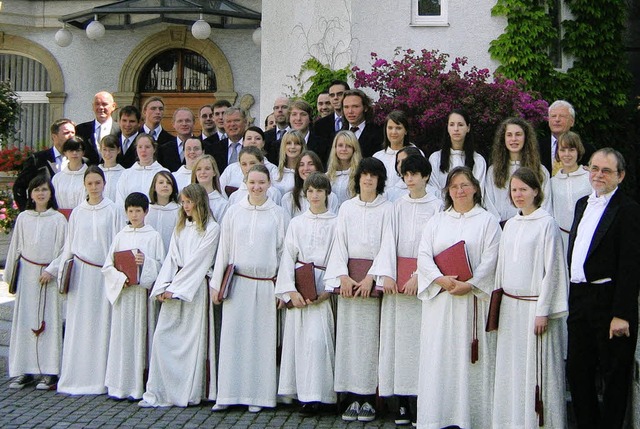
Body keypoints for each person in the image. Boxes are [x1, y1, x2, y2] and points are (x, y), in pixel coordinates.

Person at [417, 166, 501, 429]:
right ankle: (438, 418)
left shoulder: (487, 221)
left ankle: (471, 418)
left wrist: (473, 284)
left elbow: (492, 259)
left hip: (470, 303)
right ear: (448, 192)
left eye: (465, 185)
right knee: (440, 359)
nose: (460, 191)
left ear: (475, 188)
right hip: (441, 304)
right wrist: (440, 279)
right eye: (454, 187)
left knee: (468, 362)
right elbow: (423, 255)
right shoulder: (437, 220)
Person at [566, 148, 640, 429]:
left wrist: (621, 313)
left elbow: (631, 265)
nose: (598, 175)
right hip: (580, 299)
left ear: (620, 176)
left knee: (614, 376)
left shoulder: (629, 210)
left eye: (606, 171)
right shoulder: (582, 204)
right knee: (577, 371)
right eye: (594, 168)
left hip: (610, 303)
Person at [492, 167, 568, 428]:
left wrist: (543, 311)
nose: (518, 194)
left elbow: (554, 270)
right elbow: (501, 268)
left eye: (523, 189)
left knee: (538, 371)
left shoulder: (547, 224)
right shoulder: (510, 225)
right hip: (511, 308)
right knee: (513, 371)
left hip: (535, 309)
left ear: (536, 191)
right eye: (514, 190)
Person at [210, 164, 289, 413]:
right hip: (238, 284)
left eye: (261, 183)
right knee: (233, 339)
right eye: (252, 182)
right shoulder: (234, 212)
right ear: (245, 182)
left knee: (261, 342)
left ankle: (259, 395)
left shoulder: (278, 214)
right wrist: (216, 284)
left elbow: (284, 253)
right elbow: (224, 248)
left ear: (269, 184)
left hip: (265, 285)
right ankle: (228, 394)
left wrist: (282, 288)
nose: (256, 187)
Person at [371, 155, 441, 426]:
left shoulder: (437, 207)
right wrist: (387, 274)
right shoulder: (396, 206)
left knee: (420, 345)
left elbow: (435, 246)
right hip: (397, 290)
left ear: (425, 176)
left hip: (421, 288)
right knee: (398, 344)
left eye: (415, 174)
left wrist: (418, 276)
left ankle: (421, 401)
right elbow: (387, 241)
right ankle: (400, 403)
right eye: (406, 175)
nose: (410, 179)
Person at [324, 157, 393, 423]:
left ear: (379, 180)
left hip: (369, 286)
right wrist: (342, 275)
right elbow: (339, 243)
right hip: (349, 286)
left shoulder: (388, 209)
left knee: (369, 342)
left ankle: (368, 398)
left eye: (373, 176)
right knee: (349, 341)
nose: (368, 179)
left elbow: (388, 244)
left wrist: (371, 278)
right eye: (364, 175)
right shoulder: (347, 209)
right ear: (358, 178)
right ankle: (351, 397)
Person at [140, 184, 220, 408]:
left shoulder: (211, 228)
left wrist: (176, 290)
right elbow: (171, 259)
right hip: (174, 285)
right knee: (162, 337)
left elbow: (199, 262)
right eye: (182, 202)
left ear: (198, 201)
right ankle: (162, 390)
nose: (184, 206)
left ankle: (189, 392)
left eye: (188, 201)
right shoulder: (181, 227)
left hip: (194, 290)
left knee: (191, 343)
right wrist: (163, 286)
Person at [275, 172, 337, 414]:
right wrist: (290, 290)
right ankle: (304, 395)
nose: (314, 195)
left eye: (319, 191)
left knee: (319, 342)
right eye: (310, 191)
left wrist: (327, 289)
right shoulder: (296, 223)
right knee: (300, 342)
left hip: (322, 288)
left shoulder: (336, 222)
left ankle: (322, 395)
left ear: (327, 194)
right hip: (300, 287)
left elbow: (337, 256)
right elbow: (288, 256)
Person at [57, 166, 122, 395]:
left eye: (98, 183)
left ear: (104, 184)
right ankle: (77, 376)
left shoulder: (113, 210)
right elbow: (69, 246)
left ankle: (100, 378)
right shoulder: (77, 212)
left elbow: (118, 243)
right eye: (90, 183)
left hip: (103, 275)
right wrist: (61, 272)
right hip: (81, 276)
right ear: (84, 186)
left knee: (102, 324)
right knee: (80, 324)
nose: (94, 187)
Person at [5, 176, 67, 391]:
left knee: (49, 321)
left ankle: (49, 371)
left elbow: (64, 249)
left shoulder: (58, 219)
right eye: (36, 190)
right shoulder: (23, 217)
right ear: (30, 194)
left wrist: (52, 269)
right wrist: (11, 277)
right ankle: (24, 370)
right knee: (25, 322)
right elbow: (15, 248)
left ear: (51, 193)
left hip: (48, 275)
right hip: (28, 275)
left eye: (44, 190)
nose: (41, 193)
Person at [102, 192, 165, 400]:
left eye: (138, 211)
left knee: (140, 338)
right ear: (126, 212)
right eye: (131, 211)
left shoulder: (153, 235)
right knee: (122, 339)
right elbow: (108, 265)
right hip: (124, 294)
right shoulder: (121, 235)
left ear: (146, 212)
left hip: (141, 296)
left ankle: (138, 386)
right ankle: (119, 385)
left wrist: (144, 262)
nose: (135, 215)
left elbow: (160, 265)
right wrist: (120, 278)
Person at [485, 117, 552, 224]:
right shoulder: (493, 171)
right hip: (502, 228)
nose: (514, 139)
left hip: (532, 226)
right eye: (509, 135)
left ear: (526, 138)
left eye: (518, 134)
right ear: (503, 139)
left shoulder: (540, 171)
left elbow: (546, 203)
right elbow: (489, 203)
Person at [14, 118, 76, 211]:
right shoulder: (37, 160)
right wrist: (28, 211)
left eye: (73, 133)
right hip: (46, 215)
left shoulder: (81, 161)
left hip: (72, 215)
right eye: (66, 133)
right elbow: (19, 188)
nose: (71, 136)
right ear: (54, 136)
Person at [427, 109, 486, 199]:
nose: (456, 129)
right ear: (447, 128)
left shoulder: (478, 160)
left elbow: (478, 192)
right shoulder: (435, 158)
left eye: (460, 125)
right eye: (452, 124)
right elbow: (434, 190)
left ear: (468, 128)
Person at [550, 131, 592, 251]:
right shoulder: (553, 182)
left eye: (571, 150)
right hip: (561, 239)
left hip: (585, 237)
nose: (567, 154)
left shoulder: (589, 177)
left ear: (578, 151)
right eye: (563, 150)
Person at [538, 100, 594, 175]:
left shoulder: (587, 149)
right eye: (553, 116)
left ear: (572, 122)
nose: (557, 120)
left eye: (562, 116)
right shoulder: (537, 147)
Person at [219, 126, 278, 197]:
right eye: (249, 138)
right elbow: (221, 190)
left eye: (257, 138)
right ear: (243, 142)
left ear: (263, 143)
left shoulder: (272, 169)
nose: (253, 141)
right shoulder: (231, 169)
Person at [115, 133, 168, 208]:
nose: (143, 150)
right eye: (140, 147)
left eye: (147, 147)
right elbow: (120, 202)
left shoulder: (163, 173)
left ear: (154, 149)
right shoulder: (127, 174)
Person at [281, 150, 339, 217]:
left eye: (311, 164)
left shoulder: (331, 197)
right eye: (301, 165)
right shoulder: (288, 198)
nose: (306, 168)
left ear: (317, 166)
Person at [75, 91, 119, 165]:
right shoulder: (80, 130)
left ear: (113, 106)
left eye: (104, 104)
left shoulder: (120, 130)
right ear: (93, 106)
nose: (100, 107)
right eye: (97, 104)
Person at [341, 89, 383, 158]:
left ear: (365, 108)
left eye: (355, 106)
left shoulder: (378, 133)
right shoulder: (338, 134)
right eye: (346, 107)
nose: (350, 111)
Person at [147, 171, 180, 255]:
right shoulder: (147, 210)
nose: (165, 185)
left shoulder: (179, 210)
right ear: (154, 187)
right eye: (161, 182)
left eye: (169, 183)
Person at [325, 130, 362, 206]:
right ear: (335, 148)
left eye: (348, 146)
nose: (344, 149)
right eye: (340, 145)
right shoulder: (327, 176)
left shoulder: (360, 175)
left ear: (354, 149)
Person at [288, 99, 330, 165]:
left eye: (303, 114)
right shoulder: (279, 145)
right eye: (294, 114)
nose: (298, 118)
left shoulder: (323, 145)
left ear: (310, 118)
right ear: (289, 118)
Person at [51, 138, 88, 211]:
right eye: (71, 150)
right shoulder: (57, 178)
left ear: (83, 152)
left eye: (78, 150)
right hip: (61, 218)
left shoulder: (89, 176)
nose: (74, 153)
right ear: (65, 153)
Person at [191, 155, 228, 223]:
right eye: (199, 169)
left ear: (214, 172)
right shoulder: (188, 199)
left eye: (207, 169)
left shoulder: (222, 204)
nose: (203, 172)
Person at [157, 108, 195, 172]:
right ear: (173, 124)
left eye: (187, 121)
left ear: (194, 123)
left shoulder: (203, 146)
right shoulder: (163, 149)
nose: (184, 124)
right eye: (180, 121)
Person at [210, 107, 247, 173]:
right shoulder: (214, 149)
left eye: (236, 120)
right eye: (228, 121)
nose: (232, 124)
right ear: (224, 125)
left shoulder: (251, 145)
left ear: (245, 122)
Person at [272, 131, 306, 195]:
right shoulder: (274, 173)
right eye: (288, 143)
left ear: (302, 146)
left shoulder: (306, 173)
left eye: (297, 143)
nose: (292, 147)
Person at [264, 97, 291, 163]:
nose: (280, 110)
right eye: (276, 108)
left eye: (284, 107)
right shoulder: (265, 136)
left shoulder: (297, 133)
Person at [98, 135, 125, 203]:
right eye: (104, 149)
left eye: (111, 150)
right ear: (100, 150)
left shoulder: (124, 173)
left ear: (118, 150)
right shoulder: (95, 172)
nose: (107, 153)